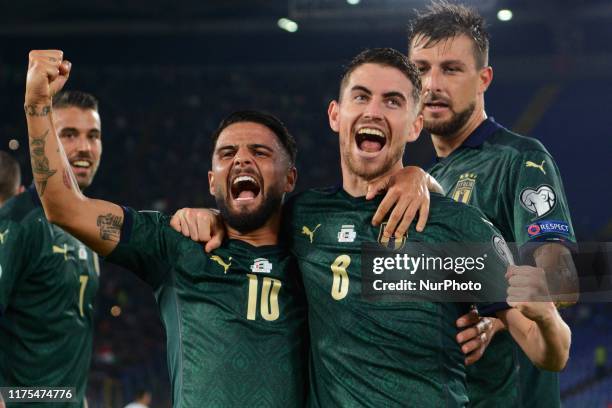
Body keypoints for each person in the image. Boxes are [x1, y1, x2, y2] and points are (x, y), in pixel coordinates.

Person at [176, 47, 571, 406]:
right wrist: (210, 217)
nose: (373, 111)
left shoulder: (458, 227)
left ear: (415, 124)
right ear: (336, 115)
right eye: (361, 96)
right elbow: (245, 222)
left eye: (393, 101)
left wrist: (547, 318)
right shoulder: (300, 217)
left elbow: (550, 353)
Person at [23, 50, 307, 407]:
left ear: (290, 178)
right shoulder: (175, 243)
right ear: (211, 181)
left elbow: (393, 287)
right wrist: (37, 104)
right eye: (227, 153)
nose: (241, 159)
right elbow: (64, 206)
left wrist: (403, 178)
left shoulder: (318, 250)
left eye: (260, 152)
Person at [407, 2, 578, 407]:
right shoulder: (428, 178)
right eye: (420, 69)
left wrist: (500, 316)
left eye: (450, 69)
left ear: (484, 78)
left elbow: (562, 279)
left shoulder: (519, 160)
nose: (431, 84)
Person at [0, 90, 102, 408]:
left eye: (93, 136)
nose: (84, 147)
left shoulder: (91, 230)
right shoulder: (18, 222)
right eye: (68, 135)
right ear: (43, 140)